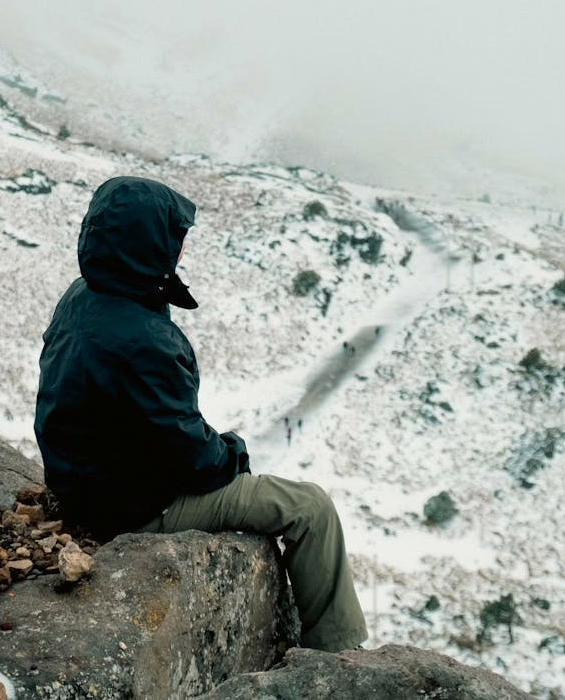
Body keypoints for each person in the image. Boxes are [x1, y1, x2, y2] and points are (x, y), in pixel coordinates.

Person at [34, 175, 367, 652]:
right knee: (310, 508)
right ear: (146, 245)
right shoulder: (145, 339)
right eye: (175, 238)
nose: (182, 249)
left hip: (82, 482)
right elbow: (194, 458)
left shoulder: (83, 296)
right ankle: (339, 655)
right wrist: (233, 451)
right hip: (130, 507)